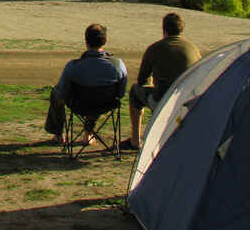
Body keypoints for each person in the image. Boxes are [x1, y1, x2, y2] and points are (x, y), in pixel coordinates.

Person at [121, 12, 201, 151]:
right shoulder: (193, 49)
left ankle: (135, 140)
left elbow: (142, 80)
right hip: (188, 100)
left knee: (134, 91)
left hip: (163, 100)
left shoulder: (154, 49)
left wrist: (153, 81)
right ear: (181, 29)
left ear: (164, 30)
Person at [45, 23, 127, 143]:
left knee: (56, 93)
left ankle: (58, 134)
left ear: (86, 41)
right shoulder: (118, 65)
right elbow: (121, 93)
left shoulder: (73, 66)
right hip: (105, 105)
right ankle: (88, 133)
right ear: (105, 41)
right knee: (97, 97)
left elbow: (62, 91)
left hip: (79, 105)